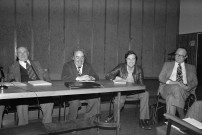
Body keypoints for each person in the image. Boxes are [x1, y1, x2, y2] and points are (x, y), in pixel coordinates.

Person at [0, 46, 54, 127]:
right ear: (17, 55)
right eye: (19, 52)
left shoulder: (36, 63)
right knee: (21, 103)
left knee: (49, 101)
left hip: (40, 88)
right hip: (23, 91)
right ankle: (23, 128)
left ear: (28, 53)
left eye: (24, 52)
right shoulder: (13, 66)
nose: (22, 54)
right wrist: (16, 83)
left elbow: (45, 75)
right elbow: (10, 79)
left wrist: (48, 83)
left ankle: (47, 126)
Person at [105, 50, 152, 130]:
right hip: (122, 92)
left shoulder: (139, 69)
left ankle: (143, 120)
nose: (131, 61)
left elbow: (142, 85)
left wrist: (136, 85)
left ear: (135, 60)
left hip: (134, 93)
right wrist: (116, 77)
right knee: (119, 100)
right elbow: (108, 75)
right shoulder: (121, 67)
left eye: (133, 59)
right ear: (126, 60)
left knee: (145, 94)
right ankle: (116, 120)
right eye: (129, 59)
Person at [158, 47, 198, 119]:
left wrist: (188, 87)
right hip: (167, 88)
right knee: (176, 87)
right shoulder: (167, 64)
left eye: (181, 55)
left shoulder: (191, 67)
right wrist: (175, 82)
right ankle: (183, 118)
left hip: (185, 91)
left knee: (171, 98)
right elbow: (161, 77)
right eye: (177, 54)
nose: (178, 57)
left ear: (186, 57)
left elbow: (195, 81)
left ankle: (170, 122)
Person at [61, 48, 99, 121]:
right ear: (73, 58)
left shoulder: (88, 66)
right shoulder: (67, 65)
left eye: (82, 57)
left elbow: (96, 77)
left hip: (85, 92)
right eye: (77, 57)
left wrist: (91, 77)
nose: (80, 59)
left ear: (84, 58)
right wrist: (79, 78)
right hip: (72, 93)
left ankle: (88, 121)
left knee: (94, 100)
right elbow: (64, 77)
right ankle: (71, 124)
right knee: (75, 102)